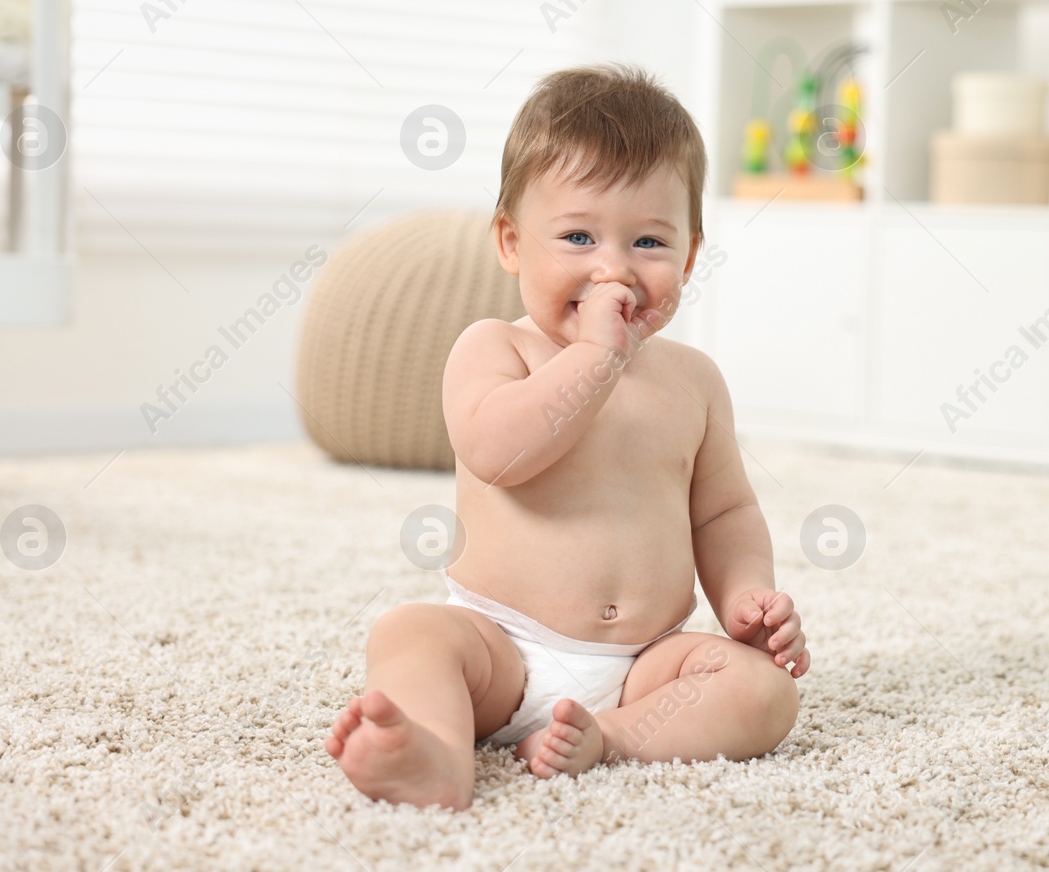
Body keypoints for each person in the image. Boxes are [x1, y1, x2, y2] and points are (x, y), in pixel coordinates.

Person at [327, 65, 808, 809]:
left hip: (648, 662)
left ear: (687, 256)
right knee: (410, 633)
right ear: (513, 243)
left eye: (648, 240)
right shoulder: (494, 349)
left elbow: (723, 513)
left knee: (764, 695)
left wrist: (747, 596)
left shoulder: (694, 381)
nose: (612, 267)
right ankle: (433, 753)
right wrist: (592, 360)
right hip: (502, 645)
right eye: (578, 235)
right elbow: (499, 453)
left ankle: (610, 735)